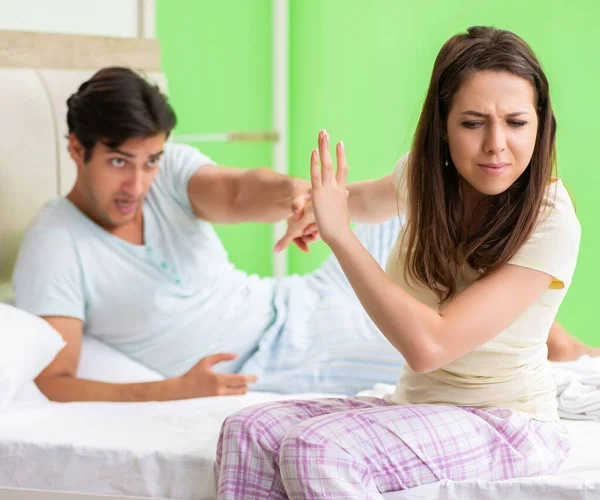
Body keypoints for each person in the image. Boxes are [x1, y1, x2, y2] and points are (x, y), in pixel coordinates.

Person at [12, 65, 594, 404]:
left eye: (151, 160)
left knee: (413, 212)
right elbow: (55, 381)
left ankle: (562, 345)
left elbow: (241, 189)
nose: (137, 182)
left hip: (293, 304)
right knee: (438, 324)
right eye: (119, 162)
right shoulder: (55, 244)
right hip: (276, 358)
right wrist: (172, 390)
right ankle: (554, 354)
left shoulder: (169, 172)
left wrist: (308, 201)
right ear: (75, 150)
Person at [215, 26, 583, 498]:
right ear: (443, 128)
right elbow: (362, 201)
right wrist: (318, 207)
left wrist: (340, 237)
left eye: (516, 122)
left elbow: (430, 345)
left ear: (540, 124)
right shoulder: (426, 179)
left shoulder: (550, 219)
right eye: (473, 123)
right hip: (415, 407)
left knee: (319, 448)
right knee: (247, 429)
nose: (496, 144)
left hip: (507, 422)